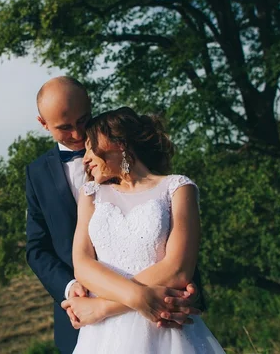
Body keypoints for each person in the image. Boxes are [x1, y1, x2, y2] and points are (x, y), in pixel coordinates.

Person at [25, 77, 204, 354]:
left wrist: (167, 286)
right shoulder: (37, 175)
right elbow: (38, 249)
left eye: (83, 121)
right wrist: (72, 288)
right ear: (43, 124)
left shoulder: (125, 142)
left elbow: (174, 239)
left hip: (165, 309)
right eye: (65, 127)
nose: (77, 134)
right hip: (85, 317)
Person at [64, 107, 225, 353]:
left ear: (118, 143)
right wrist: (136, 297)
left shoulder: (178, 188)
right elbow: (83, 264)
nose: (84, 158)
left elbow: (178, 269)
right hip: (101, 338)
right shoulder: (91, 194)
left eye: (90, 146)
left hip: (162, 330)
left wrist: (103, 308)